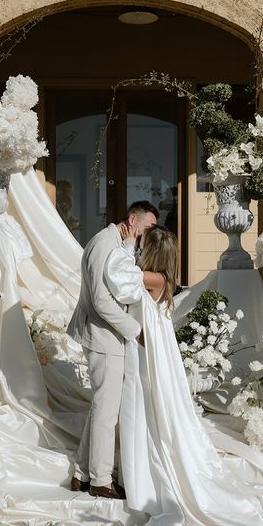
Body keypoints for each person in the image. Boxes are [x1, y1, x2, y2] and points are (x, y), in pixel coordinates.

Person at [104, 225, 263, 526]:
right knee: (142, 414)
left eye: (142, 247)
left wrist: (121, 242)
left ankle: (143, 481)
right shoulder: (157, 279)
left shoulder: (156, 280)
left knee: (147, 414)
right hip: (148, 353)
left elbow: (114, 274)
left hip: (149, 358)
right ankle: (133, 474)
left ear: (151, 253)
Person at [66, 200, 158, 499]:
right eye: (149, 228)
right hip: (103, 335)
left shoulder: (120, 243)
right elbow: (101, 300)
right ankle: (100, 480)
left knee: (102, 407)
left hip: (111, 335)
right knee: (107, 411)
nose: (149, 234)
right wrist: (136, 331)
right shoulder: (103, 244)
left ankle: (82, 473)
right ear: (132, 219)